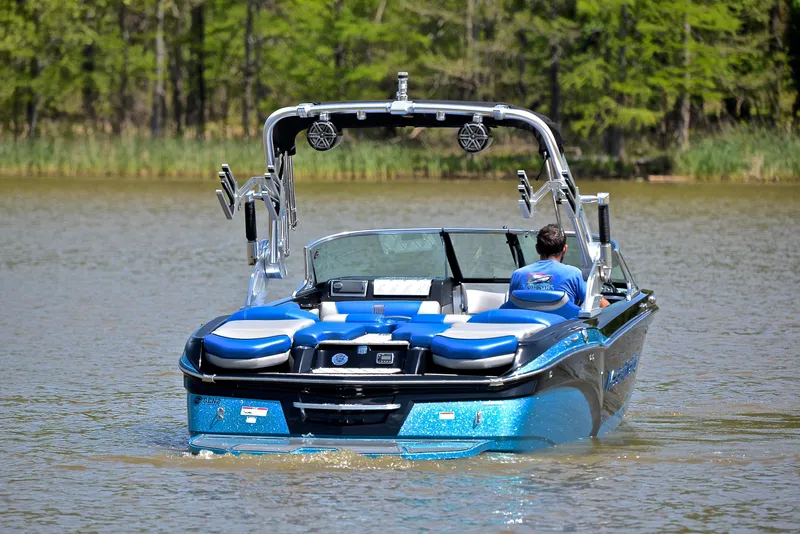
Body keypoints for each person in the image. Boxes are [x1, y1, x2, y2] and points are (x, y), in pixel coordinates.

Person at [510, 224, 609, 308]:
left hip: (528, 328)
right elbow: (602, 305)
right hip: (562, 329)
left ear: (537, 248)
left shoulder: (518, 274)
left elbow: (511, 307)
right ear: (564, 249)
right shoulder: (573, 274)